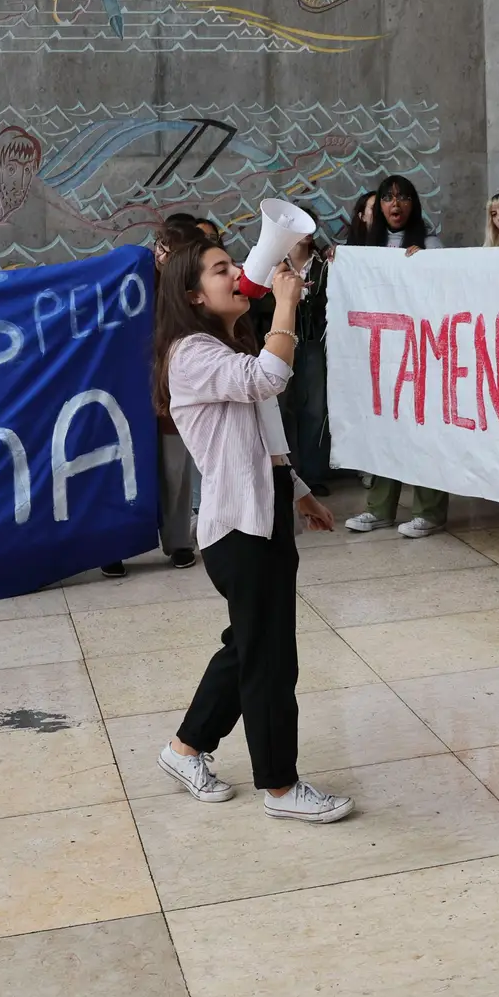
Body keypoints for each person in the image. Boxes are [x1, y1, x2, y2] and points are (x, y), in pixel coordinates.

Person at [153, 235, 352, 824]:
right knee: (270, 658)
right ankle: (281, 788)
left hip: (263, 517)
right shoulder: (191, 353)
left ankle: (185, 748)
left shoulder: (223, 342)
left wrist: (302, 492)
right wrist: (286, 302)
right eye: (221, 270)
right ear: (193, 294)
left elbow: (265, 438)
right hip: (239, 528)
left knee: (248, 646)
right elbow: (269, 377)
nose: (236, 273)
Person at [346, 175, 449, 536]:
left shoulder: (431, 244)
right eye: (387, 198)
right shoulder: (364, 248)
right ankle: (380, 509)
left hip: (422, 354)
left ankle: (430, 511)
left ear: (413, 203)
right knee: (383, 431)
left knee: (425, 430)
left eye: (403, 197)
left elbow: (446, 296)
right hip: (381, 356)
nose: (395, 204)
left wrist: (428, 267)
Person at [106, 220, 204, 577]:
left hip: (173, 385)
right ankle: (114, 545)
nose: (162, 255)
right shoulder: (131, 269)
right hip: (125, 387)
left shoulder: (195, 284)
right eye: (160, 246)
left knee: (175, 471)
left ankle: (179, 542)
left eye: (171, 251)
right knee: (122, 466)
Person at [250, 209, 332, 496]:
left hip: (311, 343)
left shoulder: (324, 266)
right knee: (282, 408)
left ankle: (314, 474)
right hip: (280, 341)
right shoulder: (273, 265)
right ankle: (289, 472)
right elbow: (257, 304)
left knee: (315, 408)